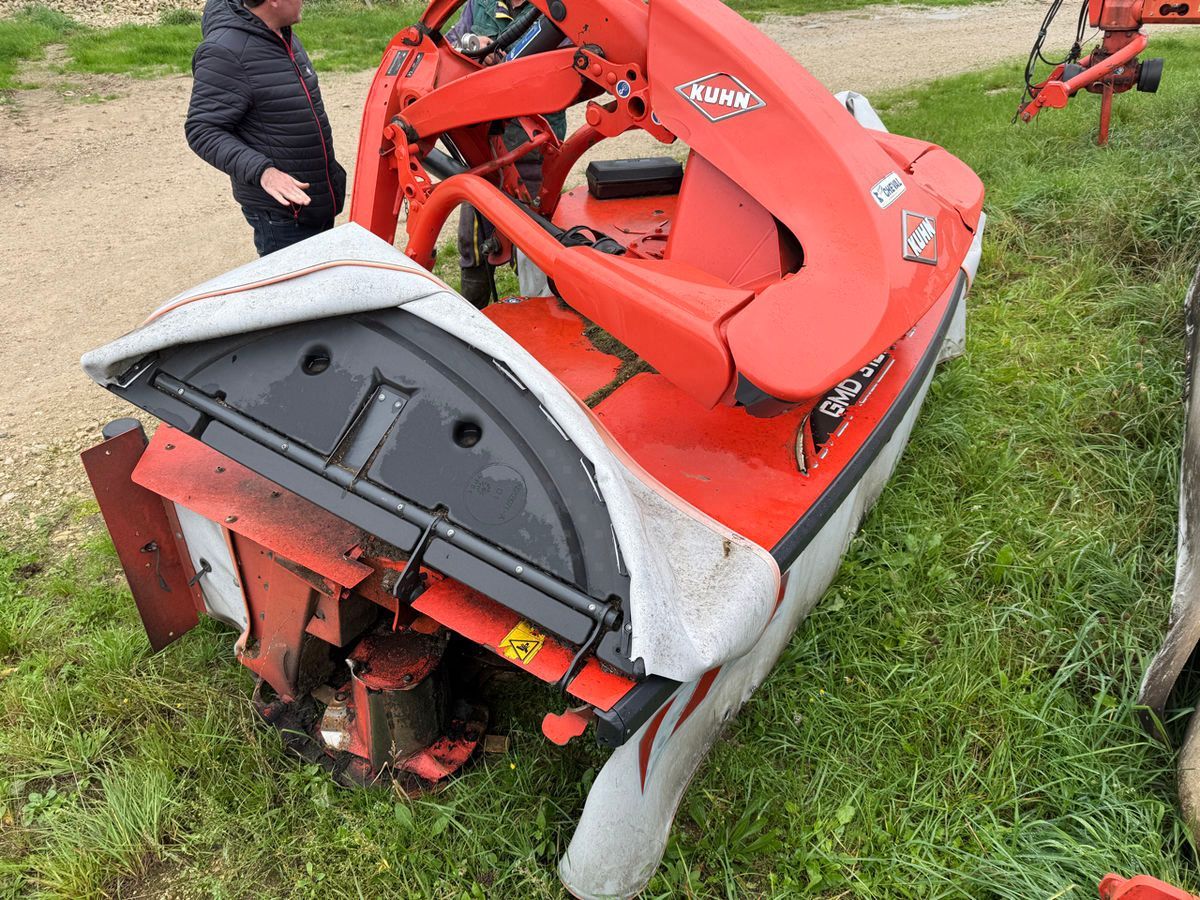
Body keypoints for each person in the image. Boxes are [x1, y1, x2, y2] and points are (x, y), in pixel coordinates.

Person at [185, 0, 346, 257]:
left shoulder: (282, 35)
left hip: (314, 199)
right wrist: (264, 172)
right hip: (283, 215)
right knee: (294, 283)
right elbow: (202, 129)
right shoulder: (225, 51)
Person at [452, 0, 567, 307]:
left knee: (533, 232)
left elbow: (570, 63)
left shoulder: (559, 7)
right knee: (473, 231)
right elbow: (451, 45)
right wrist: (474, 47)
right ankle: (473, 310)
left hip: (534, 141)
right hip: (485, 140)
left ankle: (540, 310)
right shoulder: (480, 5)